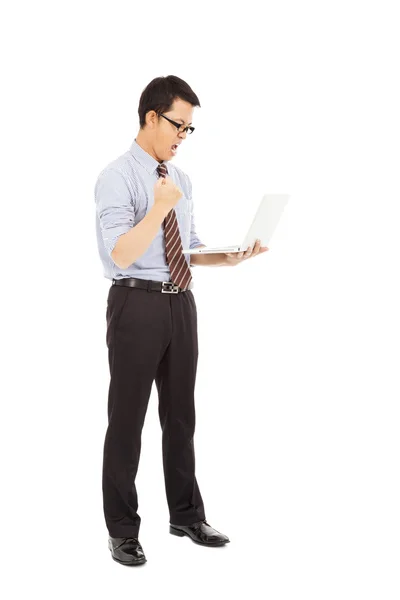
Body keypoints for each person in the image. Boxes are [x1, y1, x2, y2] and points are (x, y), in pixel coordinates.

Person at [94, 75, 268, 567]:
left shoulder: (180, 179)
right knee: (126, 421)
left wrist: (227, 257)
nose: (182, 137)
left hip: (180, 303)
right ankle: (123, 530)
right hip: (136, 305)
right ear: (151, 116)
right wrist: (158, 207)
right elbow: (122, 253)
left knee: (181, 416)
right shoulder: (117, 176)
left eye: (190, 129)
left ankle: (186, 515)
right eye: (178, 125)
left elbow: (187, 247)